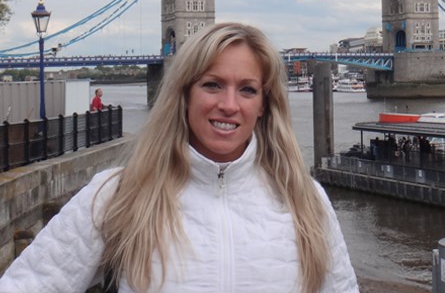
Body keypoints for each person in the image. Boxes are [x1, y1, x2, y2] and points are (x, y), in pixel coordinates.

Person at [0, 23, 359, 292]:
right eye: (212, 84)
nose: (229, 105)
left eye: (247, 90)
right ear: (184, 94)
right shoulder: (118, 195)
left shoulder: (306, 200)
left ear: (264, 105)